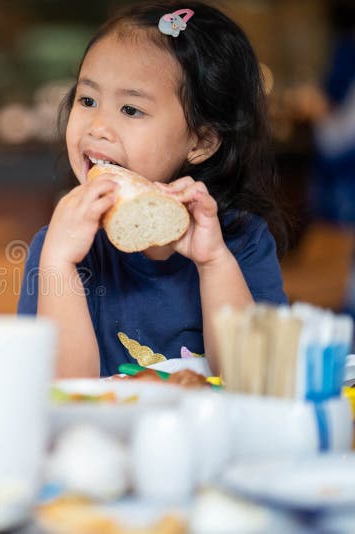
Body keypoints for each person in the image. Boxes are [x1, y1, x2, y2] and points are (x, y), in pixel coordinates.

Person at [18, 1, 288, 378]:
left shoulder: (243, 242)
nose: (97, 126)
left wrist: (214, 265)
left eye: (130, 110)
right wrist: (59, 265)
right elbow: (62, 394)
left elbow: (260, 382)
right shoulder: (56, 248)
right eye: (87, 100)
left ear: (201, 142)